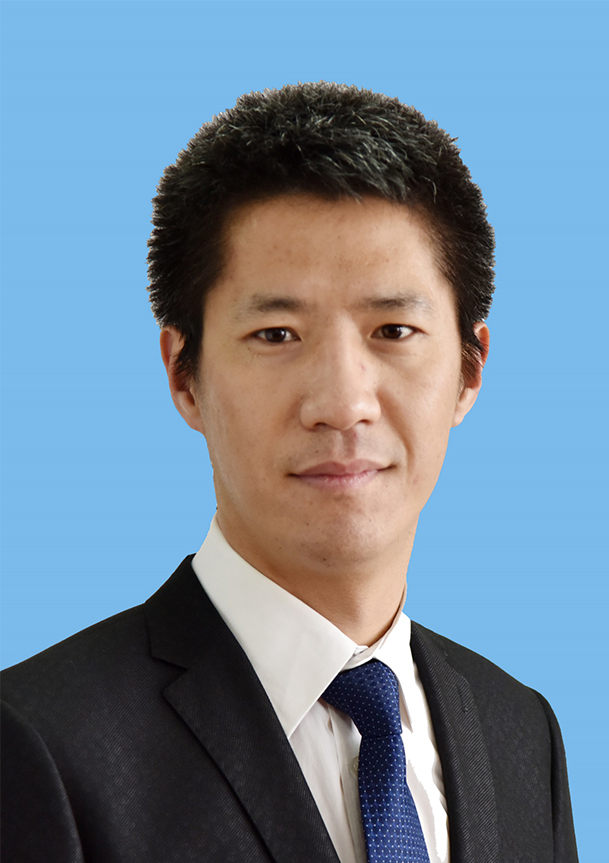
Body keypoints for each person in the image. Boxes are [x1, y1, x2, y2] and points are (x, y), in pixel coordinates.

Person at [0, 82, 578, 863]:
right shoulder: (38, 742)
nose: (341, 404)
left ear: (469, 369)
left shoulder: (520, 732)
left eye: (392, 329)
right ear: (184, 375)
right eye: (276, 333)